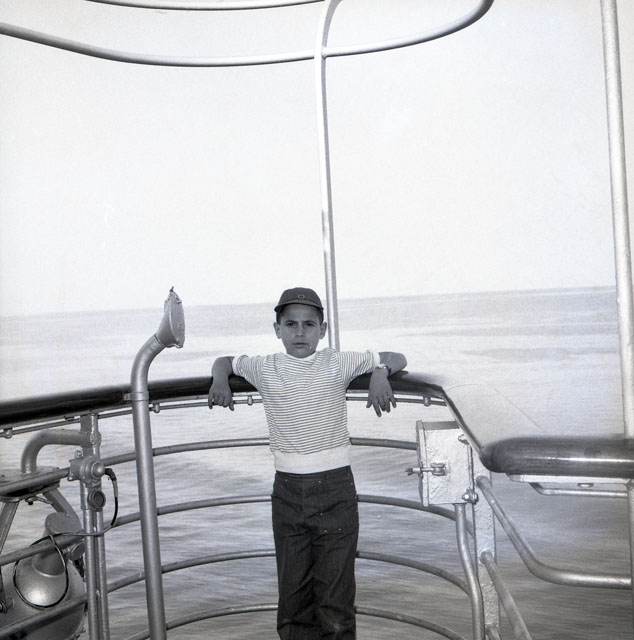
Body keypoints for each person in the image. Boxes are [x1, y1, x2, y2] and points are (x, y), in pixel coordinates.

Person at [208, 286, 407, 640]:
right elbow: (224, 362)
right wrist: (220, 380)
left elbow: (397, 356)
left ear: (322, 330)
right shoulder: (264, 367)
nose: (300, 333)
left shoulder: (338, 362)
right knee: (293, 603)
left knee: (335, 605)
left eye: (309, 325)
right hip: (287, 494)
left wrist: (380, 371)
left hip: (335, 492)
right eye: (291, 324)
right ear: (277, 329)